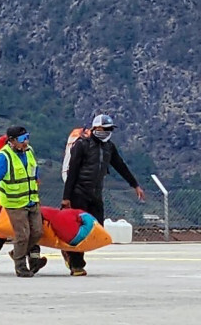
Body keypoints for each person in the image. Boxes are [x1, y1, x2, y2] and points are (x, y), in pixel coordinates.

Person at [61, 114, 146, 276]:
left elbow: (120, 166)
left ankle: (71, 255)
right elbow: (72, 172)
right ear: (95, 128)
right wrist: (66, 197)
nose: (107, 132)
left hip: (96, 194)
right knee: (79, 230)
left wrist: (134, 184)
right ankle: (77, 264)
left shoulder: (109, 147)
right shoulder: (82, 145)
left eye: (110, 130)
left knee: (95, 229)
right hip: (78, 193)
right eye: (105, 129)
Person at [0, 126, 44, 277]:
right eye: (22, 140)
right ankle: (20, 267)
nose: (26, 142)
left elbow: (34, 169)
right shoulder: (4, 157)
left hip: (32, 200)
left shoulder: (29, 151)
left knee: (37, 232)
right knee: (22, 235)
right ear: (12, 141)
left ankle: (17, 253)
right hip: (15, 204)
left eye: (27, 137)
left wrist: (36, 178)